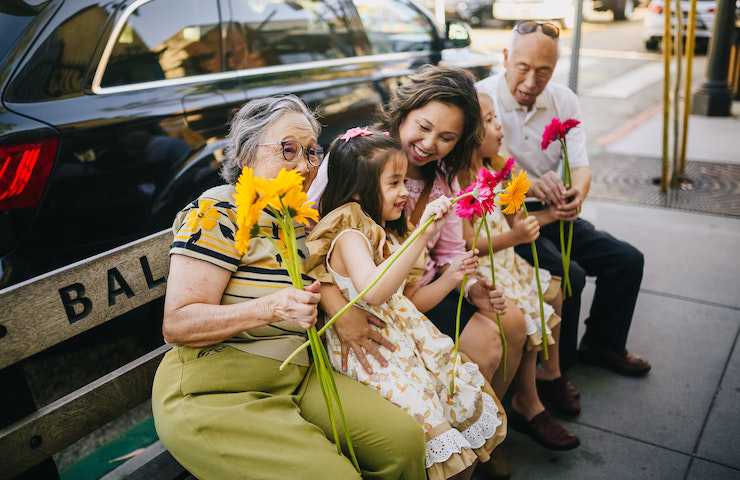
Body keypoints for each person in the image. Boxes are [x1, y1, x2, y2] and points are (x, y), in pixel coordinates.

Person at [151, 95, 427, 480]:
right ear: (248, 154)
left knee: (406, 442)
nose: (303, 165)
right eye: (288, 150)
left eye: (312, 152)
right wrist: (269, 308)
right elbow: (178, 324)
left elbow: (330, 277)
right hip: (217, 393)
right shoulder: (218, 211)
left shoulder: (300, 220)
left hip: (297, 379)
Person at [307, 128, 507, 480]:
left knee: (450, 410)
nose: (404, 193)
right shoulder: (349, 234)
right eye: (394, 183)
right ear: (358, 190)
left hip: (402, 348)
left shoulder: (373, 231)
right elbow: (374, 292)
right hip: (374, 357)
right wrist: (422, 234)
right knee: (434, 430)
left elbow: (399, 296)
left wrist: (443, 264)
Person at [477, 21, 651, 379]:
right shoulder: (482, 99)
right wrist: (534, 186)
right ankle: (557, 370)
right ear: (506, 57)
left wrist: (576, 196)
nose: (530, 82)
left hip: (554, 208)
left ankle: (603, 345)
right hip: (506, 215)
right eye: (523, 68)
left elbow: (581, 165)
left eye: (543, 72)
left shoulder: (564, 99)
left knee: (626, 261)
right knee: (569, 275)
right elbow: (492, 167)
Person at [462, 90, 579, 450]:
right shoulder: (464, 182)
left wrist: (534, 216)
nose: (499, 126)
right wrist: (514, 236)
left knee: (555, 289)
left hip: (508, 261)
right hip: (486, 266)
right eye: (489, 120)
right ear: (469, 134)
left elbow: (517, 216)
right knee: (529, 309)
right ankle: (528, 401)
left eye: (497, 117)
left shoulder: (497, 167)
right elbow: (470, 244)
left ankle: (548, 375)